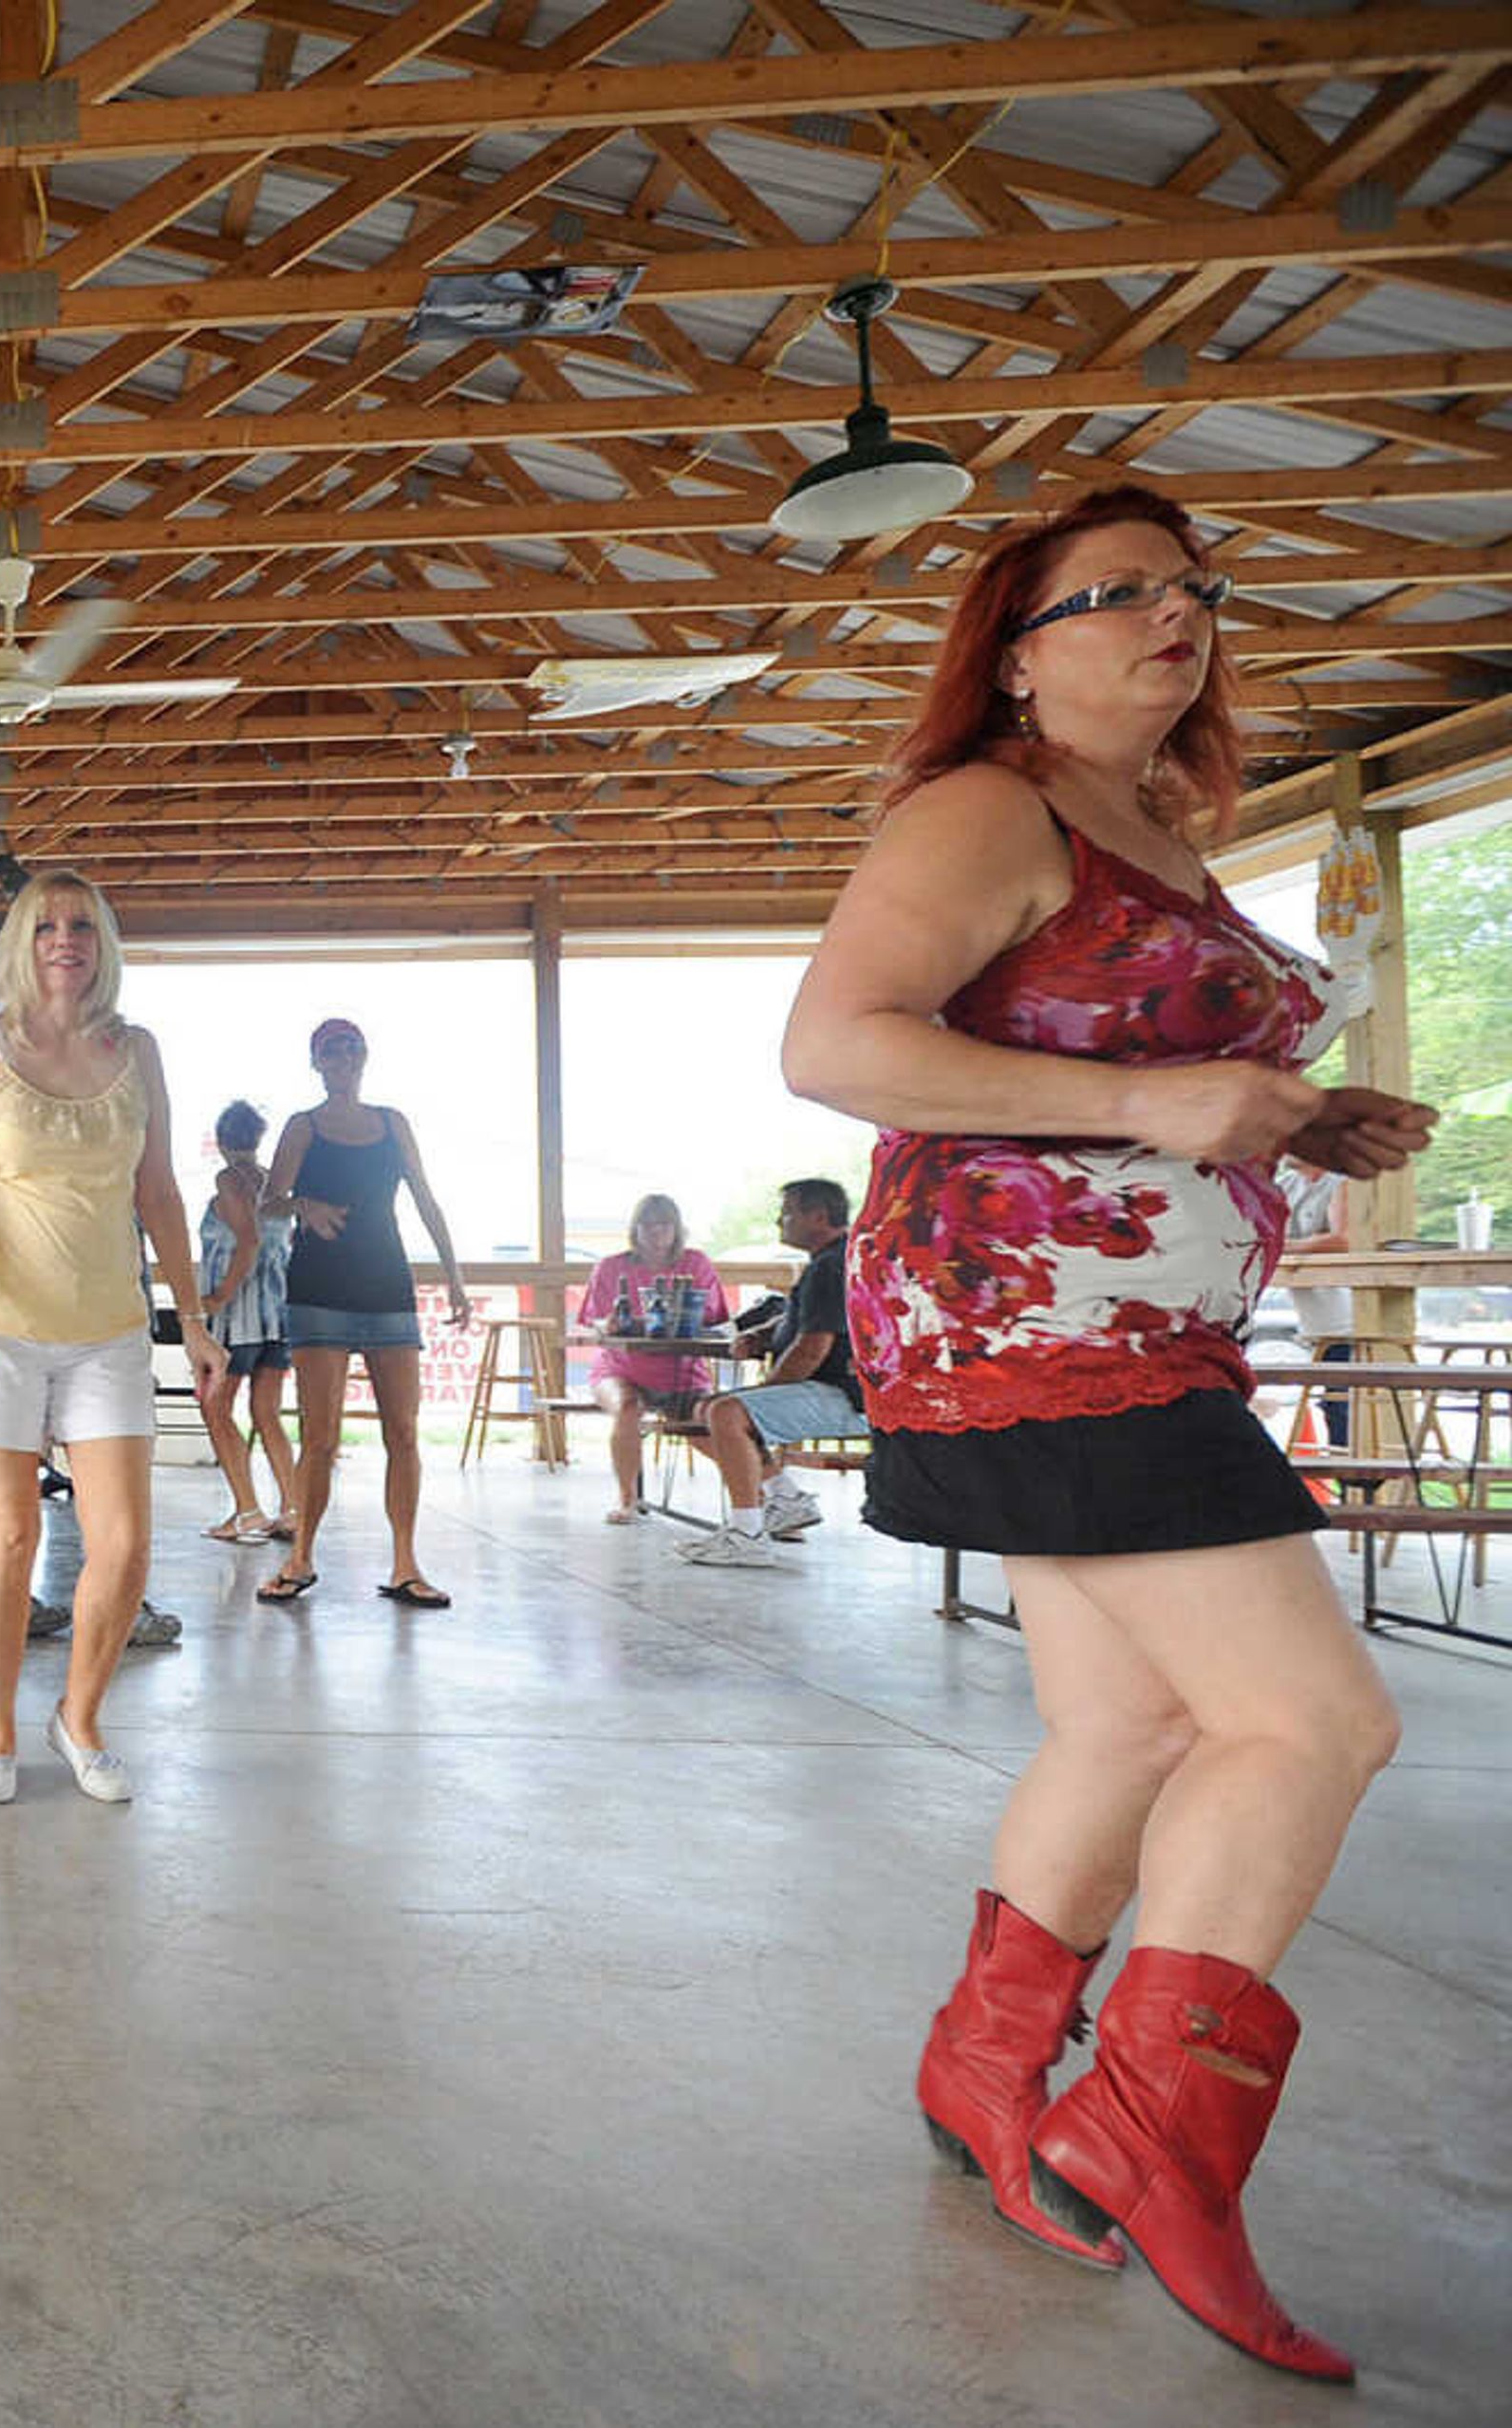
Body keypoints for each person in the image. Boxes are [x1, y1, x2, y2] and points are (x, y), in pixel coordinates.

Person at [782, 481, 1429, 2381]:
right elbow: (836, 1044)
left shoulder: (1149, 821)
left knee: (1133, 1721)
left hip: (1110, 1329)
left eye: (1193, 588)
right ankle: (1145, 2130)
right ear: (1019, 642)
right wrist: (1165, 1118)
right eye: (1115, 591)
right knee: (1316, 1720)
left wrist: (1292, 1120)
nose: (1173, 614)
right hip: (1052, 1331)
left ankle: (986, 2067)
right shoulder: (986, 804)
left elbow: (1120, 1061)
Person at [0, 870, 224, 1805]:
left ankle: (81, 1717)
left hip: (110, 1329)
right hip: (3, 1327)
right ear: (22, 940)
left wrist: (198, 1319)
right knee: (10, 1534)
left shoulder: (135, 1049)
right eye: (48, 924)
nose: (66, 939)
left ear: (103, 944)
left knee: (127, 1543)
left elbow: (162, 1194)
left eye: (83, 926)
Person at [257, 1018, 470, 1611]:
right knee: (320, 1436)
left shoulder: (391, 1122)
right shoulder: (303, 1127)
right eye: (331, 1050)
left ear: (365, 1057)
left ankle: (405, 1563)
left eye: (352, 1048)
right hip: (319, 1289)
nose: (343, 1058)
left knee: (403, 1431)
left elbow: (426, 1196)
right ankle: (300, 1556)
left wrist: (454, 1278)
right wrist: (305, 1204)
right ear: (316, 1062)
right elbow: (266, 1202)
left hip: (387, 1287)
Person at [668, 1181, 856, 1567]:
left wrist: (762, 1393)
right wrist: (761, 1334)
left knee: (727, 1412)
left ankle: (747, 1534)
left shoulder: (832, 1266)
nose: (778, 1221)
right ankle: (785, 1499)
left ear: (818, 1217)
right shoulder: (828, 1260)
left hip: (847, 1393)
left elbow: (812, 1347)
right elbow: (801, 1320)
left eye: (788, 1212)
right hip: (826, 1388)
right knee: (708, 1408)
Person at [581, 1192, 732, 1523]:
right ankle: (627, 1499)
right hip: (621, 1368)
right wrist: (607, 1324)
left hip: (682, 1369)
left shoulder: (696, 1263)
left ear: (677, 1229)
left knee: (711, 1424)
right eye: (647, 1225)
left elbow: (713, 1316)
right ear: (634, 1229)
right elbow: (593, 1319)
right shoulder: (612, 1267)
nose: (655, 1232)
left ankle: (761, 1498)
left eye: (664, 1224)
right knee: (627, 1407)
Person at [194, 1098, 298, 1542]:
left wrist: (218, 1295)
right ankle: (293, 1508)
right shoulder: (274, 1185)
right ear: (257, 1138)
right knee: (266, 1413)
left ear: (221, 1140)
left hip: (238, 1319)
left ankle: (248, 1510)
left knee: (215, 1407)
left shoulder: (229, 1180)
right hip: (277, 1315)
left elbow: (248, 1241)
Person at [1273, 1158, 1356, 1450]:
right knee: (1334, 1404)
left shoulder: (1340, 1182)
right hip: (1316, 1323)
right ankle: (1346, 1483)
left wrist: (1284, 1246)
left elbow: (1343, 1239)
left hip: (1349, 1320)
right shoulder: (1284, 1185)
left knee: (1342, 1406)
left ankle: (1356, 1485)